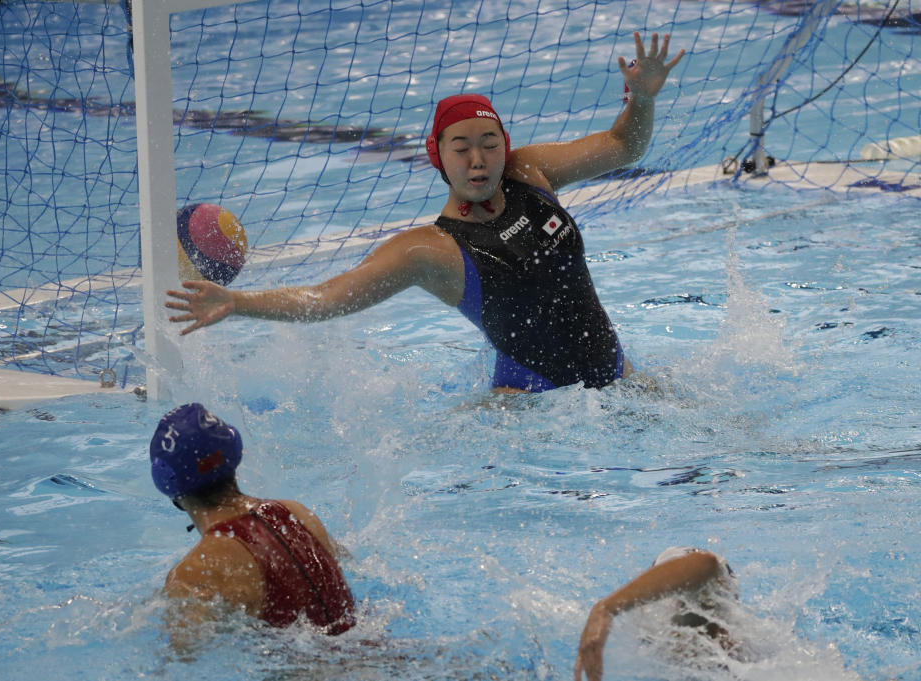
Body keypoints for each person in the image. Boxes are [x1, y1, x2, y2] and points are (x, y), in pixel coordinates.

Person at [166, 33, 684, 393]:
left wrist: (641, 99)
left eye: (489, 144)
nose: (478, 160)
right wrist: (238, 302)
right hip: (533, 403)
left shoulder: (531, 172)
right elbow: (326, 297)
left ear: (505, 145)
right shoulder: (431, 250)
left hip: (617, 373)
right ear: (439, 155)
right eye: (462, 147)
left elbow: (623, 146)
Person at [150, 402, 355, 636]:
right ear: (234, 450)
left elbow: (180, 662)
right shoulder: (298, 513)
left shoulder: (196, 572)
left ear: (165, 479)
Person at [574, 547, 741, 681]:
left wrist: (605, 609)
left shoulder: (747, 655)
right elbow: (704, 566)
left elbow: (705, 564)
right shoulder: (653, 636)